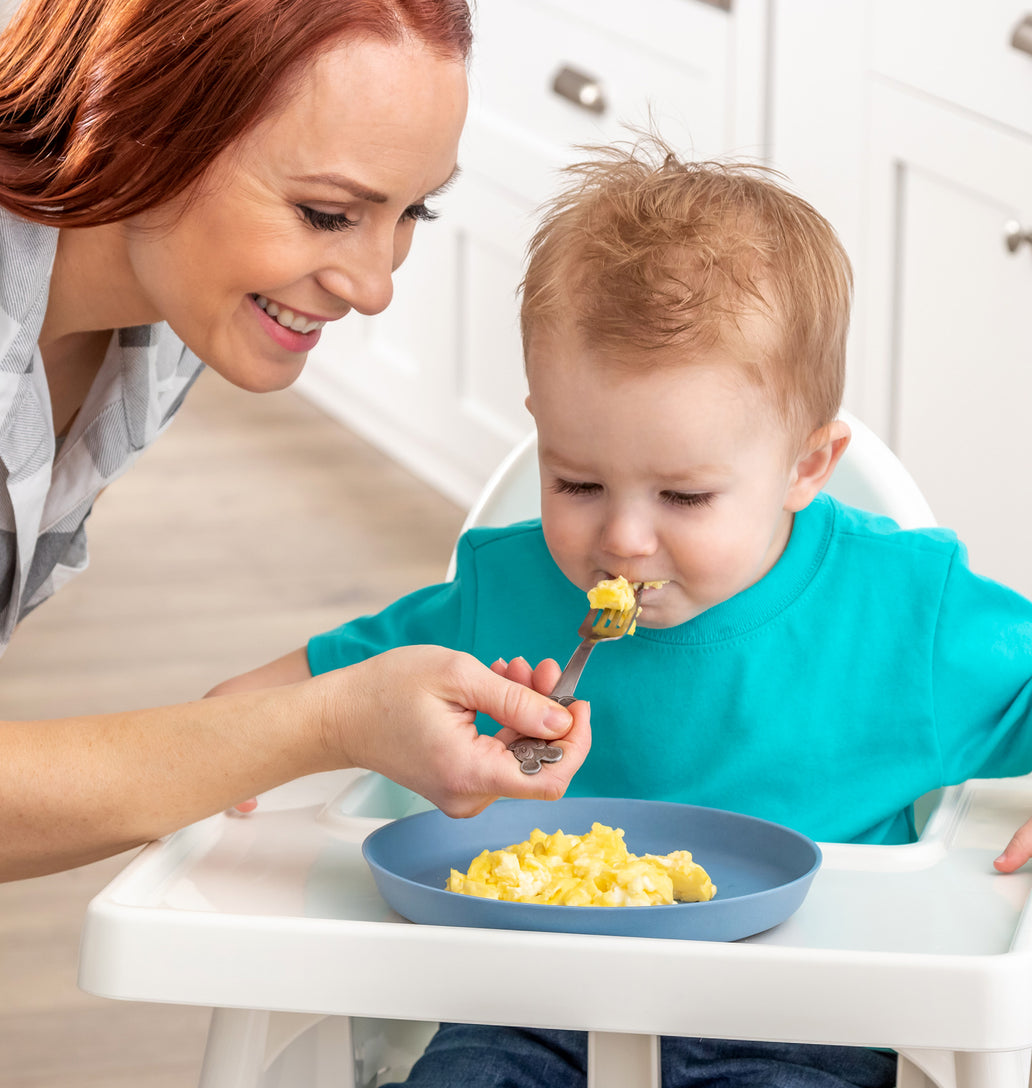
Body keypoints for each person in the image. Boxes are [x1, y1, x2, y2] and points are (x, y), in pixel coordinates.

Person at [209, 135, 1032, 1088]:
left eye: (684, 497)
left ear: (806, 466)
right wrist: (222, 739)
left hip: (806, 1024)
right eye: (577, 480)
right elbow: (324, 689)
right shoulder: (502, 593)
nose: (622, 541)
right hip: (527, 1008)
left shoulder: (899, 606)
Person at [0, 0, 592, 884]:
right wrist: (331, 722)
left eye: (412, 214)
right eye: (325, 213)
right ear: (137, 122)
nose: (374, 285)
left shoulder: (165, 323)